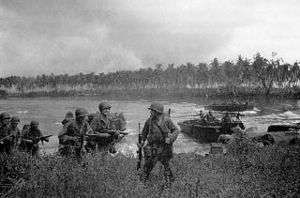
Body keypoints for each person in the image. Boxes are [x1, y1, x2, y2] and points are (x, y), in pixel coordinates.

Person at [138, 102, 179, 183]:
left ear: (157, 111)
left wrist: (171, 138)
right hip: (153, 146)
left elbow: (176, 130)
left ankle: (171, 182)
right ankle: (143, 182)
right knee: (148, 165)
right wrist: (142, 141)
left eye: (152, 110)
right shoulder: (149, 121)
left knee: (167, 165)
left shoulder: (166, 120)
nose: (150, 112)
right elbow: (144, 132)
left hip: (164, 147)